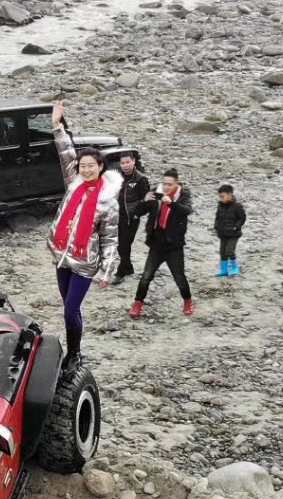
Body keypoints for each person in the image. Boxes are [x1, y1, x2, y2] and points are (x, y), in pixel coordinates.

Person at [47, 100, 121, 363]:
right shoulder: (73, 183)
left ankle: (75, 354)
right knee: (69, 307)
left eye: (92, 165)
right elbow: (66, 152)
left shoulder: (107, 201)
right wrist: (57, 125)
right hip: (62, 256)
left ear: (101, 167)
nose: (86, 169)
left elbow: (111, 239)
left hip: (84, 262)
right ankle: (74, 347)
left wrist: (108, 270)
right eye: (83, 165)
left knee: (70, 310)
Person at [129, 168, 194, 318]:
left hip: (174, 245)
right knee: (146, 276)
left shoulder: (183, 195)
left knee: (179, 277)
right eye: (164, 183)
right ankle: (137, 305)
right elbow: (138, 212)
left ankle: (188, 301)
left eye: (169, 185)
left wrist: (171, 203)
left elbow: (187, 210)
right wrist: (143, 201)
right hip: (157, 243)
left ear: (177, 184)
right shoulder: (156, 192)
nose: (166, 187)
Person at [114, 148, 156, 280]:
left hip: (131, 219)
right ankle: (129, 268)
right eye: (122, 163)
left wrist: (137, 213)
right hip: (118, 217)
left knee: (124, 246)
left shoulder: (140, 179)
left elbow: (149, 201)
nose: (125, 165)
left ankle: (121, 272)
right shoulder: (117, 176)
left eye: (128, 162)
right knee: (120, 246)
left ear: (133, 161)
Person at [213, 184, 246, 278]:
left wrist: (236, 227)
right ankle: (224, 270)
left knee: (229, 251)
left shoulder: (237, 206)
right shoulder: (220, 206)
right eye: (220, 197)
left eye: (223, 196)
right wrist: (216, 226)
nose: (221, 198)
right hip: (222, 233)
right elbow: (217, 217)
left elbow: (242, 218)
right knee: (222, 252)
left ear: (230, 194)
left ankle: (235, 267)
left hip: (233, 234)